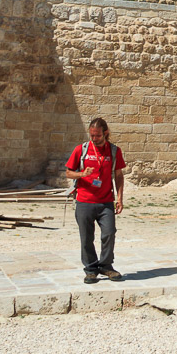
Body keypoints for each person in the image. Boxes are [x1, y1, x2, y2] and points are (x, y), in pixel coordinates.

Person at [65, 118, 127, 284]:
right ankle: (91, 269)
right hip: (84, 201)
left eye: (97, 135)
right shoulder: (81, 150)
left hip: (106, 201)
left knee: (109, 232)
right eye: (92, 135)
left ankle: (106, 266)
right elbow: (68, 173)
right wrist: (82, 174)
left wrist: (120, 198)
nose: (94, 138)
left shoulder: (114, 151)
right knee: (86, 237)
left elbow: (119, 175)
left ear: (105, 134)